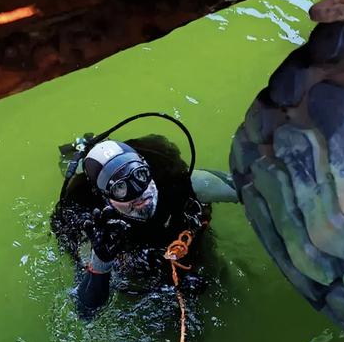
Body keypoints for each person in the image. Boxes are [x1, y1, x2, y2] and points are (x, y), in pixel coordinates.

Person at [51, 134, 237, 318]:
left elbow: (248, 189)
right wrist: (101, 261)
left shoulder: (180, 181)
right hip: (141, 276)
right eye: (121, 188)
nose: (139, 194)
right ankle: (76, 155)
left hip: (186, 243)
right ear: (105, 196)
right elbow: (86, 311)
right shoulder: (95, 227)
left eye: (140, 175)